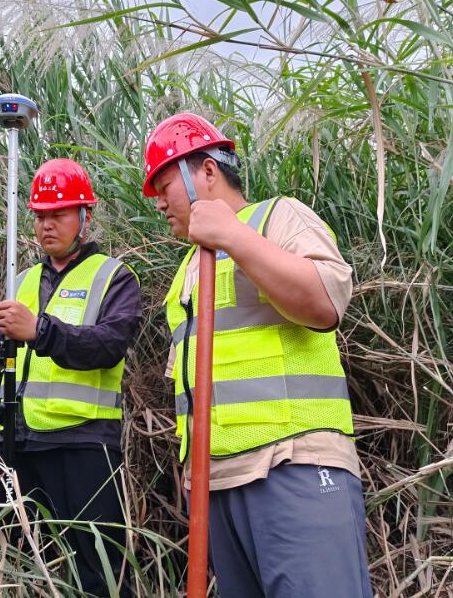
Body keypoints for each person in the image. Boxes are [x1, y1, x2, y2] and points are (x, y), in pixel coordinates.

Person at [141, 113, 372, 597]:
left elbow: (324, 304)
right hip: (217, 485)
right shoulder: (188, 267)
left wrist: (232, 235)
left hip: (293, 466)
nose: (159, 202)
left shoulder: (277, 217)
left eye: (165, 185)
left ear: (206, 171)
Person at [0, 158, 140, 597]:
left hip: (84, 444)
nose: (47, 225)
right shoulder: (23, 281)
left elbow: (108, 346)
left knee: (100, 569)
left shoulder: (113, 278)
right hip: (21, 443)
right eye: (40, 216)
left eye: (59, 214)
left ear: (85, 216)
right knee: (18, 562)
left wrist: (40, 331)